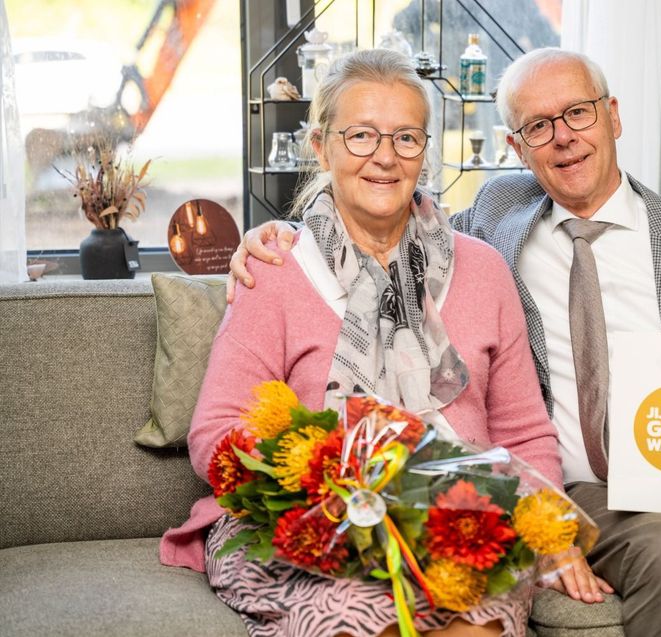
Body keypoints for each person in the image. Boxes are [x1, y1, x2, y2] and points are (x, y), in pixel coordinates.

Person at [230, 47, 661, 635]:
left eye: (577, 113)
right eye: (538, 126)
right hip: (601, 490)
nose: (562, 137)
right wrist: (267, 239)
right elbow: (380, 223)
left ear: (613, 116)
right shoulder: (493, 226)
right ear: (516, 146)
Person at [160, 49, 566, 637]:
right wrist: (334, 479)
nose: (384, 157)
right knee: (365, 616)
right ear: (321, 147)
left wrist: (549, 530)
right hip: (305, 517)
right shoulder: (274, 269)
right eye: (361, 136)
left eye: (405, 137)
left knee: (476, 621)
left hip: (453, 517)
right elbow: (216, 433)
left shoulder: (483, 270)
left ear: (424, 151)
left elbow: (525, 434)